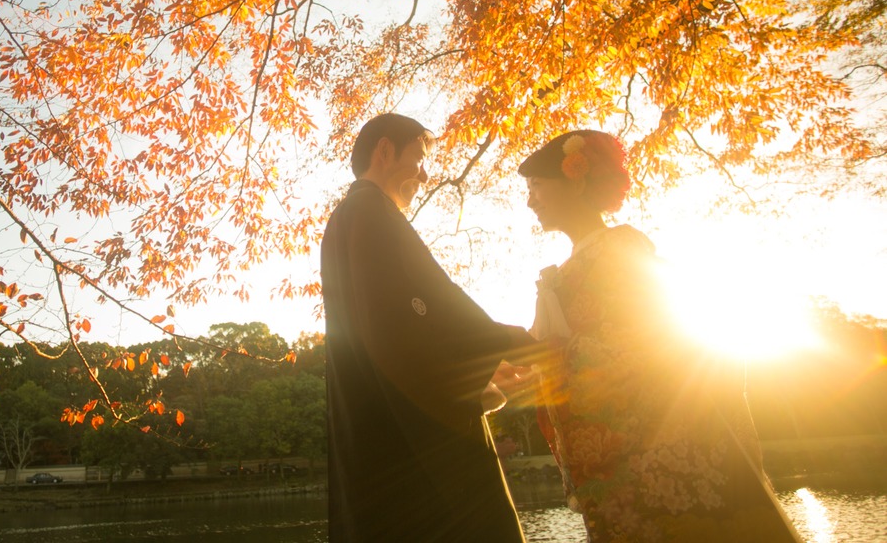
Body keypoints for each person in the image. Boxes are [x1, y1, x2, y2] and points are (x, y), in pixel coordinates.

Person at [518, 130, 804, 543]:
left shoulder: (624, 251)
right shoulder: (563, 274)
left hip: (660, 454)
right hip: (615, 464)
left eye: (537, 186)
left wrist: (553, 356)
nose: (530, 201)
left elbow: (664, 342)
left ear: (576, 181)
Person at [321, 112, 537, 541]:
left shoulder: (348, 218)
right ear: (385, 151)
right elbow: (425, 304)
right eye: (419, 159)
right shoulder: (370, 211)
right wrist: (504, 342)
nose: (424, 174)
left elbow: (401, 318)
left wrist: (477, 366)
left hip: (374, 421)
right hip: (410, 433)